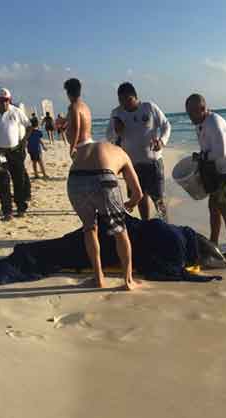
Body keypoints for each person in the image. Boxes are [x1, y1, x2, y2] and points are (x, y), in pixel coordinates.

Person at [67, 141, 143, 290]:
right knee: (120, 230)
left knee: (89, 228)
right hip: (103, 179)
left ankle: (98, 278)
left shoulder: (90, 147)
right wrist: (130, 205)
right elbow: (138, 193)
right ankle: (128, 281)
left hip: (74, 180)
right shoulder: (123, 154)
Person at [185, 94, 226, 260]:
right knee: (213, 208)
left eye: (191, 113)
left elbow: (221, 152)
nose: (189, 117)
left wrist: (201, 158)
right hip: (217, 173)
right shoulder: (200, 123)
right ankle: (214, 243)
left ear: (202, 109)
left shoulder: (214, 123)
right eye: (188, 113)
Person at [106, 82, 171, 221]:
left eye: (128, 100)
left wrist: (162, 141)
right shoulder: (117, 113)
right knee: (140, 196)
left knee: (159, 199)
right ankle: (146, 226)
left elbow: (166, 125)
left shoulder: (149, 107)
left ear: (136, 97)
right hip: (131, 165)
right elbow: (109, 137)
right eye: (121, 101)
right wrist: (117, 132)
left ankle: (166, 224)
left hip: (153, 162)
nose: (125, 104)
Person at [0, 87, 32, 221]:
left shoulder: (16, 111)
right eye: (2, 100)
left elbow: (29, 126)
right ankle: (7, 211)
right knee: (3, 182)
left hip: (15, 151)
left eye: (7, 100)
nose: (4, 103)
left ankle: (21, 207)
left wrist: (23, 142)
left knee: (19, 180)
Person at [63, 78, 93, 158]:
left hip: (81, 145)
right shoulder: (85, 106)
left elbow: (77, 128)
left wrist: (72, 147)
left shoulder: (74, 107)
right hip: (88, 142)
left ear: (68, 93)